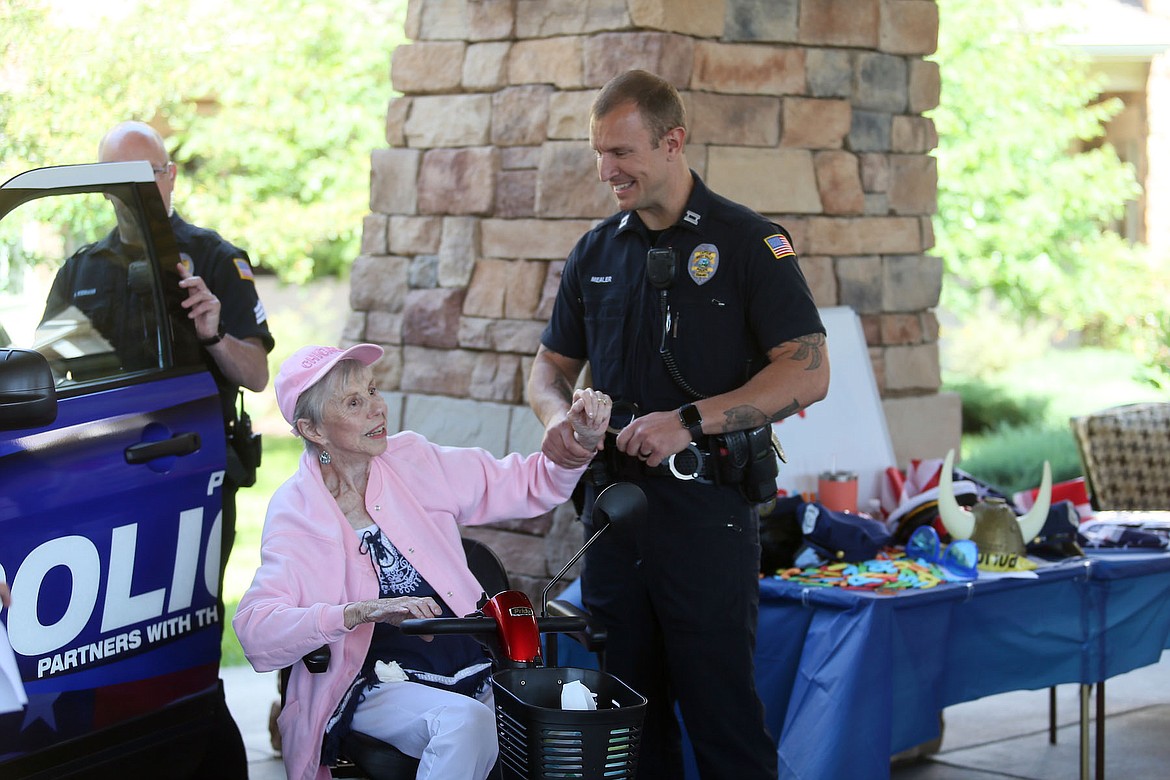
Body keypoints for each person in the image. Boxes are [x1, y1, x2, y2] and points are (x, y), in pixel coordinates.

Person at [527, 69, 831, 779]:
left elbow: (808, 371)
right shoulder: (596, 251)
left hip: (706, 515)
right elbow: (545, 370)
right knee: (623, 726)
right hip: (613, 516)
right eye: (599, 153)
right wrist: (557, 418)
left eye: (622, 153)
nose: (607, 171)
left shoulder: (751, 243)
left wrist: (688, 423)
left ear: (672, 143)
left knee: (722, 718)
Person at [232, 343, 611, 780]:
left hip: (466, 658)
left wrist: (580, 441)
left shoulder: (412, 458)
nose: (378, 409)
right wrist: (356, 613)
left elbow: (531, 483)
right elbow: (256, 630)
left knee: (561, 726)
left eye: (373, 391)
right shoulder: (297, 510)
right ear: (312, 429)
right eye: (355, 402)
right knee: (464, 725)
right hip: (371, 681)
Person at [41, 120, 274, 777]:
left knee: (185, 627)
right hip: (96, 481)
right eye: (115, 184)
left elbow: (255, 373)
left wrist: (211, 332)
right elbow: (46, 373)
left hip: (188, 473)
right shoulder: (82, 270)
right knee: (103, 632)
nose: (133, 195)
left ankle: (201, 749)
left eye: (146, 179)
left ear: (170, 177)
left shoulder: (214, 257)